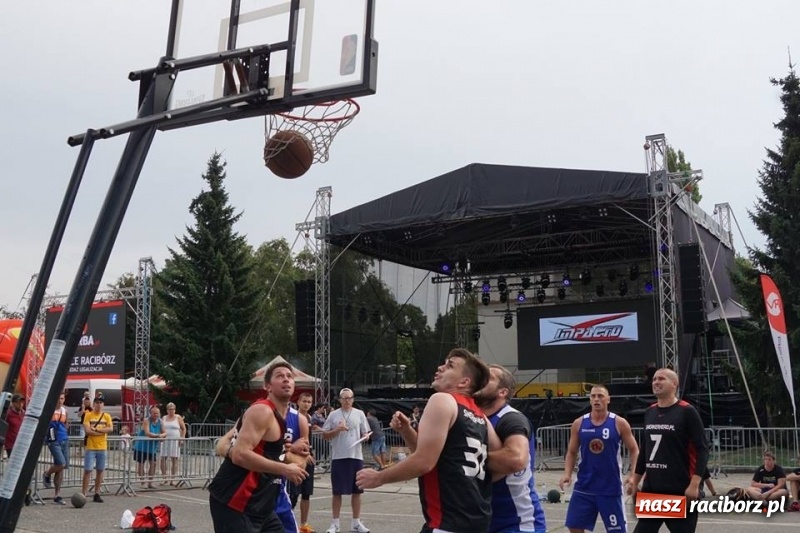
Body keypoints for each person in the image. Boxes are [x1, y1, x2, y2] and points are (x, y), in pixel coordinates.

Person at [356, 348, 502, 533]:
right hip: (477, 519)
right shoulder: (481, 417)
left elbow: (424, 462)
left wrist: (379, 477)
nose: (440, 367)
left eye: (450, 366)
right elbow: (434, 458)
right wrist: (407, 431)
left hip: (447, 521)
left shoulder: (442, 400)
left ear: (464, 381)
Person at [208, 361, 308, 533]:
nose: (286, 380)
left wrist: (291, 453)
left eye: (289, 376)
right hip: (234, 501)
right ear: (267, 386)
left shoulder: (287, 418)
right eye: (280, 376)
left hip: (261, 504)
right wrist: (284, 469)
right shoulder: (262, 411)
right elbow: (240, 454)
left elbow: (296, 464)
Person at [628, 368, 708, 533]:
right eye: (654, 379)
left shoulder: (687, 411)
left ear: (674, 384)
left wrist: (694, 484)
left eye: (661, 379)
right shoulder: (650, 412)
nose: (656, 382)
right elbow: (645, 451)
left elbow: (702, 449)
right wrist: (635, 482)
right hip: (653, 489)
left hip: (679, 489)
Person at [475, 364, 547, 533]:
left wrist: (464, 459)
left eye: (489, 378)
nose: (482, 380)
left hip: (517, 523)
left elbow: (516, 459)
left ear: (503, 392)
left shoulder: (511, 419)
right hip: (483, 521)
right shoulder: (472, 417)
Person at [559, 384, 639, 533]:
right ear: (589, 400)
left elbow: (635, 450)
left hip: (610, 487)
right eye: (593, 396)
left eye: (600, 396)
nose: (596, 399)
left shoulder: (619, 423)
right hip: (585, 485)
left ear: (608, 399)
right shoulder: (579, 423)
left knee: (617, 530)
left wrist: (633, 475)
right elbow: (571, 452)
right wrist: (567, 474)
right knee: (574, 526)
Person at [321, 388, 371, 533]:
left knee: (357, 491)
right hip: (339, 456)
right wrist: (337, 429)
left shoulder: (359, 414)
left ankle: (356, 523)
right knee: (337, 491)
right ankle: (335, 523)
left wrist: (366, 436)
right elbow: (325, 435)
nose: (347, 401)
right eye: (344, 398)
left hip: (356, 456)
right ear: (340, 400)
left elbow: (365, 432)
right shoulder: (333, 414)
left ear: (353, 399)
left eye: (349, 398)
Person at [291, 392, 317, 533]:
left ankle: (304, 524)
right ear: (298, 402)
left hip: (308, 458)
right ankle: (288, 521)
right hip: (296, 458)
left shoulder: (309, 418)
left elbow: (309, 441)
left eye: (309, 402)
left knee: (306, 493)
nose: (306, 404)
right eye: (304, 401)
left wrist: (311, 454)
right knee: (293, 494)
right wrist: (303, 454)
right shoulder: (293, 418)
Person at [82, 393, 114, 502]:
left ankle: (97, 492)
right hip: (91, 446)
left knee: (100, 470)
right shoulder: (88, 415)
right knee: (88, 470)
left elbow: (110, 429)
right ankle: (84, 493)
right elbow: (87, 430)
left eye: (101, 403)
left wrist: (96, 430)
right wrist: (100, 431)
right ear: (94, 404)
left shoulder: (107, 416)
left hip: (102, 446)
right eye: (97, 403)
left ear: (103, 404)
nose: (99, 405)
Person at [42, 392, 70, 504]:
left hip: (64, 439)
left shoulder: (65, 411)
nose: (60, 400)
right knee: (61, 463)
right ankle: (47, 473)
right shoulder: (50, 410)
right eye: (58, 398)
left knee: (61, 467)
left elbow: (66, 424)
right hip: (53, 440)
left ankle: (57, 494)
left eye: (62, 398)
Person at [133, 406, 166, 488]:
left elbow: (165, 432)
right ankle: (143, 481)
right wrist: (158, 436)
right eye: (154, 413)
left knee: (153, 463)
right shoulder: (146, 420)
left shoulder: (160, 422)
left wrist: (161, 435)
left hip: (152, 446)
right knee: (141, 464)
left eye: (157, 413)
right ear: (150, 413)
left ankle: (150, 481)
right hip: (142, 445)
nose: (156, 415)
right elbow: (147, 432)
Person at [160, 402, 187, 485]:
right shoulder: (164, 418)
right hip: (165, 440)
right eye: (169, 409)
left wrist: (182, 439)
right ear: (167, 410)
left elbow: (183, 429)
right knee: (163, 459)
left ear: (175, 410)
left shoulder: (178, 417)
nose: (171, 411)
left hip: (175, 440)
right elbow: (161, 428)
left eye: (173, 409)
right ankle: (164, 478)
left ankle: (172, 479)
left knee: (174, 459)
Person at [3, 393, 25, 458]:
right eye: (18, 402)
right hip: (11, 445)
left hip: (22, 444)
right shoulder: (8, 414)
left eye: (22, 402)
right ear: (13, 403)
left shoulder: (24, 414)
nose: (21, 404)